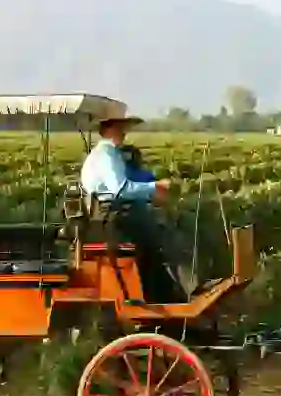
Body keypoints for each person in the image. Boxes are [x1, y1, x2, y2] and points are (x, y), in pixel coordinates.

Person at [80, 116, 197, 302]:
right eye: (121, 128)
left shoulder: (104, 153)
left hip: (109, 213)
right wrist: (155, 187)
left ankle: (164, 291)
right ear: (109, 129)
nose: (124, 132)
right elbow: (120, 189)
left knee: (157, 229)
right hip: (112, 218)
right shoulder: (107, 154)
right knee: (163, 235)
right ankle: (165, 295)